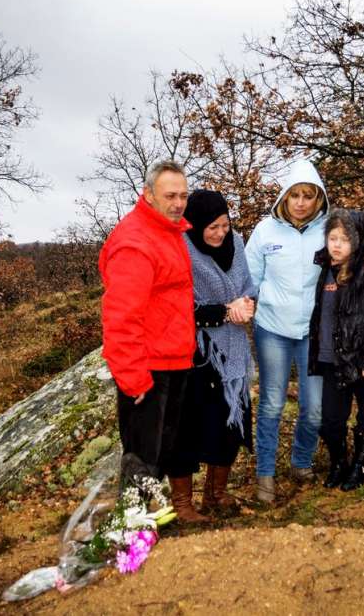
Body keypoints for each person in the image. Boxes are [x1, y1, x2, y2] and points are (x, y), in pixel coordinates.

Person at [98, 160, 206, 522]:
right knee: (141, 459)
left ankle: (142, 530)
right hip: (148, 368)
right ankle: (127, 535)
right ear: (148, 195)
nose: (178, 203)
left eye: (183, 196)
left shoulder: (168, 231)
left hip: (174, 361)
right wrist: (132, 378)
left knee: (158, 456)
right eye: (170, 195)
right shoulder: (135, 241)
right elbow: (120, 317)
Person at [245, 159, 330, 503]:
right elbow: (250, 279)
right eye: (294, 195)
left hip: (313, 330)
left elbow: (347, 265)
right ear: (284, 196)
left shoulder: (328, 230)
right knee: (271, 404)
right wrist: (249, 305)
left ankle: (301, 460)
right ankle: (265, 474)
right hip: (273, 329)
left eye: (307, 195)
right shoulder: (266, 231)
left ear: (318, 199)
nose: (300, 202)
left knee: (314, 408)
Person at [172, 189, 257, 514]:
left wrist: (247, 305)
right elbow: (181, 306)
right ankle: (182, 503)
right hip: (194, 354)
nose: (221, 232)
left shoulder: (235, 242)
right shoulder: (183, 248)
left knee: (228, 424)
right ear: (195, 225)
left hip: (232, 353)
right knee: (188, 428)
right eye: (213, 227)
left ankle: (215, 495)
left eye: (224, 224)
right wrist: (224, 311)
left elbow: (248, 287)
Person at [308, 209, 364, 491]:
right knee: (330, 420)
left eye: (344, 240)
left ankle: (361, 464)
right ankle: (339, 462)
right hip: (332, 360)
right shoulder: (325, 269)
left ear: (358, 242)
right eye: (332, 238)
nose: (336, 245)